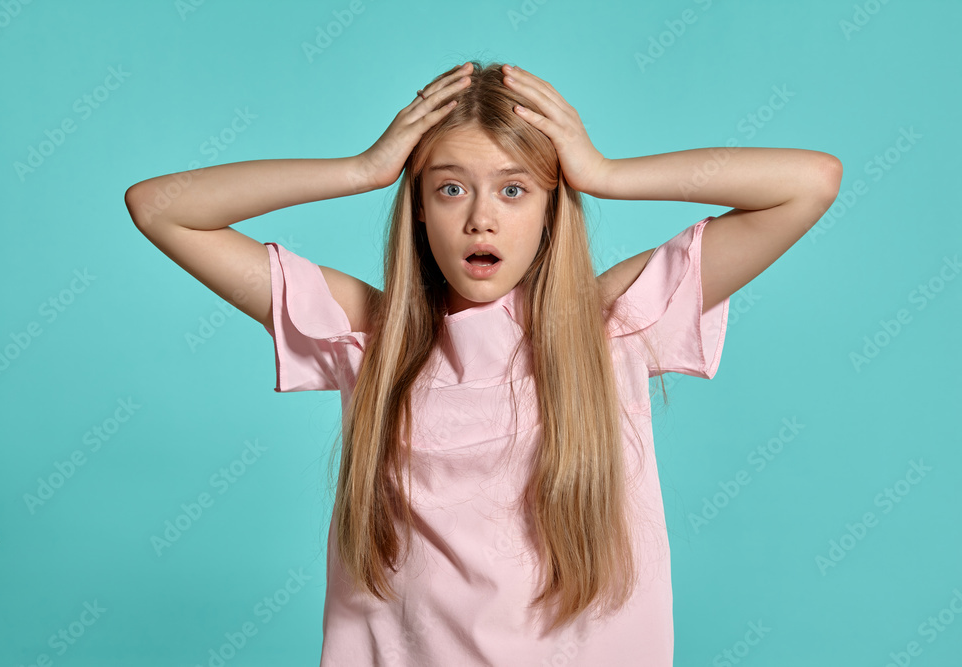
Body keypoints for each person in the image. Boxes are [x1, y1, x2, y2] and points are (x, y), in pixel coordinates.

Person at [124, 60, 841, 666]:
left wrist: (606, 173)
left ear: (552, 209)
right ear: (419, 211)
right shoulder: (370, 339)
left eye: (514, 187)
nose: (481, 218)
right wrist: (363, 168)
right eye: (450, 187)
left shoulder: (610, 329)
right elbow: (160, 207)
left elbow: (809, 182)